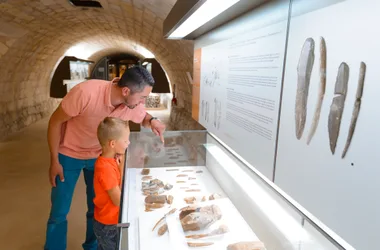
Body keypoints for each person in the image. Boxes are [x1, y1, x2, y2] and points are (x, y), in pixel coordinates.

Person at [44, 66, 166, 250]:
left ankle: (92, 247)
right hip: (68, 154)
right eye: (142, 97)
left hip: (98, 156)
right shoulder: (85, 93)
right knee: (59, 211)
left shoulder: (130, 103)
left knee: (97, 209)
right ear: (126, 91)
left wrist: (153, 120)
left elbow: (143, 116)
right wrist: (54, 160)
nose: (143, 102)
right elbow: (55, 121)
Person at [93, 117, 129, 250]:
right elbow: (118, 200)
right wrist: (123, 165)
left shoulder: (110, 160)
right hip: (108, 224)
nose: (128, 143)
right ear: (112, 144)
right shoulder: (105, 169)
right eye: (125, 140)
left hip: (109, 221)